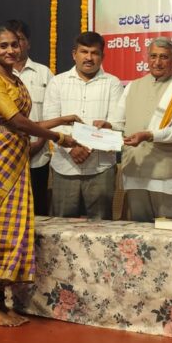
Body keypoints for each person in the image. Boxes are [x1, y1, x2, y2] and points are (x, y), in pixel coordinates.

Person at [0, 27, 79, 326]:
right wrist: (60, 137)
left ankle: (1, 304)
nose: (10, 50)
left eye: (14, 45)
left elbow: (25, 123)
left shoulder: (14, 80)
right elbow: (16, 120)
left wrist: (62, 120)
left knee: (11, 229)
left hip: (15, 154)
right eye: (3, 46)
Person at [42, 31, 124, 219]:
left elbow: (118, 123)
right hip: (65, 165)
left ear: (102, 56)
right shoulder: (57, 82)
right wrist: (72, 149)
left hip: (101, 168)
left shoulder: (113, 83)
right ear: (74, 54)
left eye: (94, 53)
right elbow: (51, 121)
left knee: (101, 228)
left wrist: (106, 128)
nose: (89, 57)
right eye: (84, 52)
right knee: (61, 226)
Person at [115, 37, 172, 222]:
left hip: (167, 174)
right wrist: (107, 127)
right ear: (147, 57)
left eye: (164, 57)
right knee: (139, 230)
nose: (157, 62)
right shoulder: (132, 86)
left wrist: (150, 135)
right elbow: (119, 123)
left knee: (168, 231)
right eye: (153, 56)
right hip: (135, 169)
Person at [7, 19, 54, 216]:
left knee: (38, 214)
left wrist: (40, 142)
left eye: (19, 39)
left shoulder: (44, 73)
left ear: (28, 43)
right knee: (9, 214)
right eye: (9, 41)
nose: (15, 45)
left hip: (38, 156)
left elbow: (52, 113)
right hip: (6, 157)